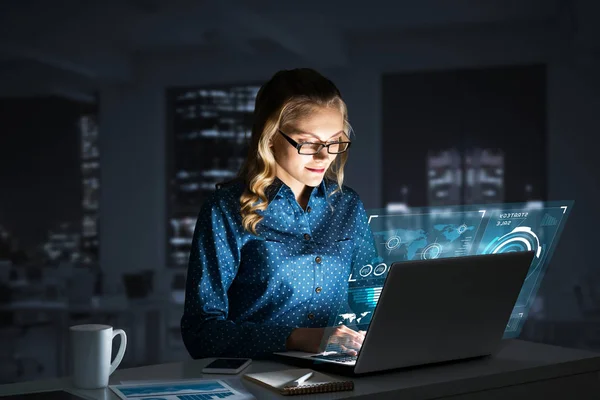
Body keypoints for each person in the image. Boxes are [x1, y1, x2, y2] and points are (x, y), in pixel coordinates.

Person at [181, 68, 379, 360]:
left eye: (335, 140)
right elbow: (201, 333)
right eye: (308, 143)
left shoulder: (348, 205)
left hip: (343, 372)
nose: (325, 156)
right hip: (255, 375)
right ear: (271, 136)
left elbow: (370, 299)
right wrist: (298, 338)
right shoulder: (225, 209)